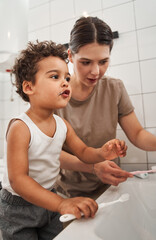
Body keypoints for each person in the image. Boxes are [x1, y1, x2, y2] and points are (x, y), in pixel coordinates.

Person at [0, 41, 128, 240]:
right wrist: (60, 203)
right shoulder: (21, 127)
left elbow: (84, 152)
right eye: (55, 76)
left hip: (49, 201)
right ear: (29, 86)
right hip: (19, 208)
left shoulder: (62, 124)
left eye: (67, 77)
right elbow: (18, 180)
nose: (65, 82)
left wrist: (103, 152)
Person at [54, 16, 156, 199]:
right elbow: (49, 152)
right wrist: (93, 167)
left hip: (110, 188)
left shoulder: (115, 88)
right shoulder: (55, 94)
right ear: (70, 56)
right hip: (69, 195)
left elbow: (137, 134)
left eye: (103, 62)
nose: (96, 72)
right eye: (86, 62)